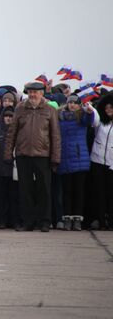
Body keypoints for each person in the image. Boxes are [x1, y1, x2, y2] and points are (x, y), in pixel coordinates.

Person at [5, 81, 61, 232]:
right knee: (25, 190)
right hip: (23, 154)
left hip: (42, 155)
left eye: (35, 92)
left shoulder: (49, 109)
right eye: (30, 92)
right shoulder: (20, 108)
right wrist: (8, 153)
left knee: (44, 190)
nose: (32, 95)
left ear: (42, 93)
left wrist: (55, 158)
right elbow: (12, 132)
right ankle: (28, 222)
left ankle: (44, 222)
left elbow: (55, 135)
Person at [57, 94, 99, 231]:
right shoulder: (60, 117)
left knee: (79, 191)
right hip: (65, 158)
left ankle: (77, 219)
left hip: (79, 157)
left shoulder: (81, 117)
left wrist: (90, 112)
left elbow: (90, 121)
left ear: (79, 104)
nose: (72, 105)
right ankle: (67, 218)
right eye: (70, 103)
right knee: (67, 191)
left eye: (75, 103)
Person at [0, 107, 20, 229]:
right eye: (6, 116)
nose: (8, 118)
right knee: (0, 197)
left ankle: (13, 220)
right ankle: (1, 221)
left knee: (13, 197)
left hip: (13, 169)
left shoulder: (18, 132)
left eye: (11, 116)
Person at [89, 91, 113, 230]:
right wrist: (91, 109)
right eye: (106, 108)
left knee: (111, 193)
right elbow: (94, 120)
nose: (109, 110)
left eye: (111, 107)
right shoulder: (101, 123)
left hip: (111, 163)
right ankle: (100, 220)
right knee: (99, 192)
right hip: (97, 161)